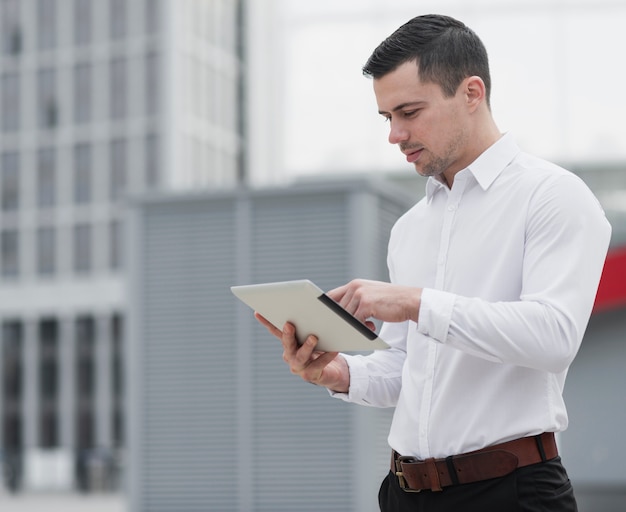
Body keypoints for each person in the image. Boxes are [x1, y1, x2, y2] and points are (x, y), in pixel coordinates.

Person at [256, 13, 611, 512]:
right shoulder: (411, 227)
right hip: (404, 493)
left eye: (409, 111)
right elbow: (408, 369)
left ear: (471, 93)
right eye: (387, 118)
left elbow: (554, 338)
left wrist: (416, 302)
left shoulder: (553, 197)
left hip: (510, 494)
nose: (395, 134)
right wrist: (339, 374)